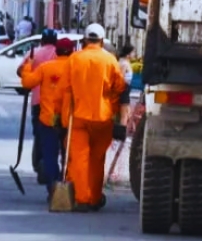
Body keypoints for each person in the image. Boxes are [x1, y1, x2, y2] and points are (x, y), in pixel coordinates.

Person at [64, 23, 126, 211]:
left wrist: (64, 117)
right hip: (103, 116)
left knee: (79, 158)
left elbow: (66, 89)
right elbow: (120, 87)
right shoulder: (110, 60)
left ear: (85, 39)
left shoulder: (74, 59)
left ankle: (82, 198)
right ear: (101, 40)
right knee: (97, 159)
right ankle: (94, 198)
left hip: (78, 117)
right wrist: (113, 106)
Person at [20, 37, 74, 198]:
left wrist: (28, 66)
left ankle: (54, 188)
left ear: (56, 51)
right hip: (69, 120)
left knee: (50, 156)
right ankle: (69, 188)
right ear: (72, 51)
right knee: (69, 156)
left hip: (48, 119)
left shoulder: (46, 67)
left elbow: (27, 83)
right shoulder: (76, 68)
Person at [18, 28, 58, 183]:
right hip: (57, 102)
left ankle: (40, 166)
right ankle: (52, 168)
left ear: (42, 40)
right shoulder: (59, 53)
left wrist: (29, 74)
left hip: (37, 100)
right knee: (56, 136)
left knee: (40, 135)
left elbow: (20, 71)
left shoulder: (34, 53)